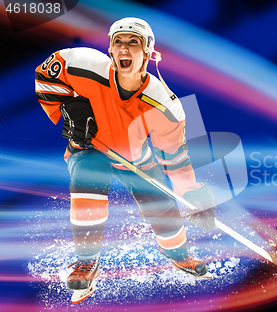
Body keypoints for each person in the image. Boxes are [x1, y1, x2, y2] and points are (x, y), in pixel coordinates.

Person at [35, 17, 217, 304]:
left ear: (148, 52)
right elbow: (46, 76)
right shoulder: (81, 64)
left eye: (134, 42)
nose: (125, 48)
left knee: (162, 205)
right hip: (90, 147)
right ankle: (87, 262)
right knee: (88, 178)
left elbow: (175, 157)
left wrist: (190, 192)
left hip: (136, 160)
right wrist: (67, 107)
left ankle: (181, 257)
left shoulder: (164, 105)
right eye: (118, 41)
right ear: (110, 48)